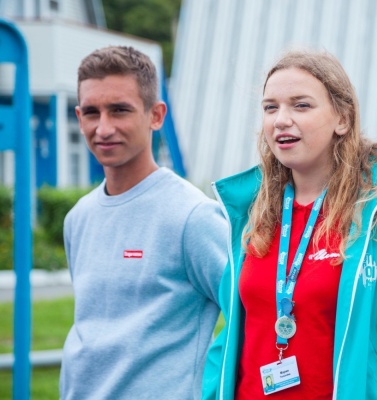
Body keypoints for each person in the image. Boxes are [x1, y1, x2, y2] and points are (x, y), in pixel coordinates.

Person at [202, 49, 377, 399]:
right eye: (270, 107)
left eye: (301, 105)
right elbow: (234, 333)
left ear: (342, 119)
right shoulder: (250, 210)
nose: (281, 120)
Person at [59, 46, 227, 399]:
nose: (103, 128)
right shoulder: (78, 218)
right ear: (79, 117)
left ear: (156, 115)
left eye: (119, 110)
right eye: (91, 112)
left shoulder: (193, 216)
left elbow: (253, 319)